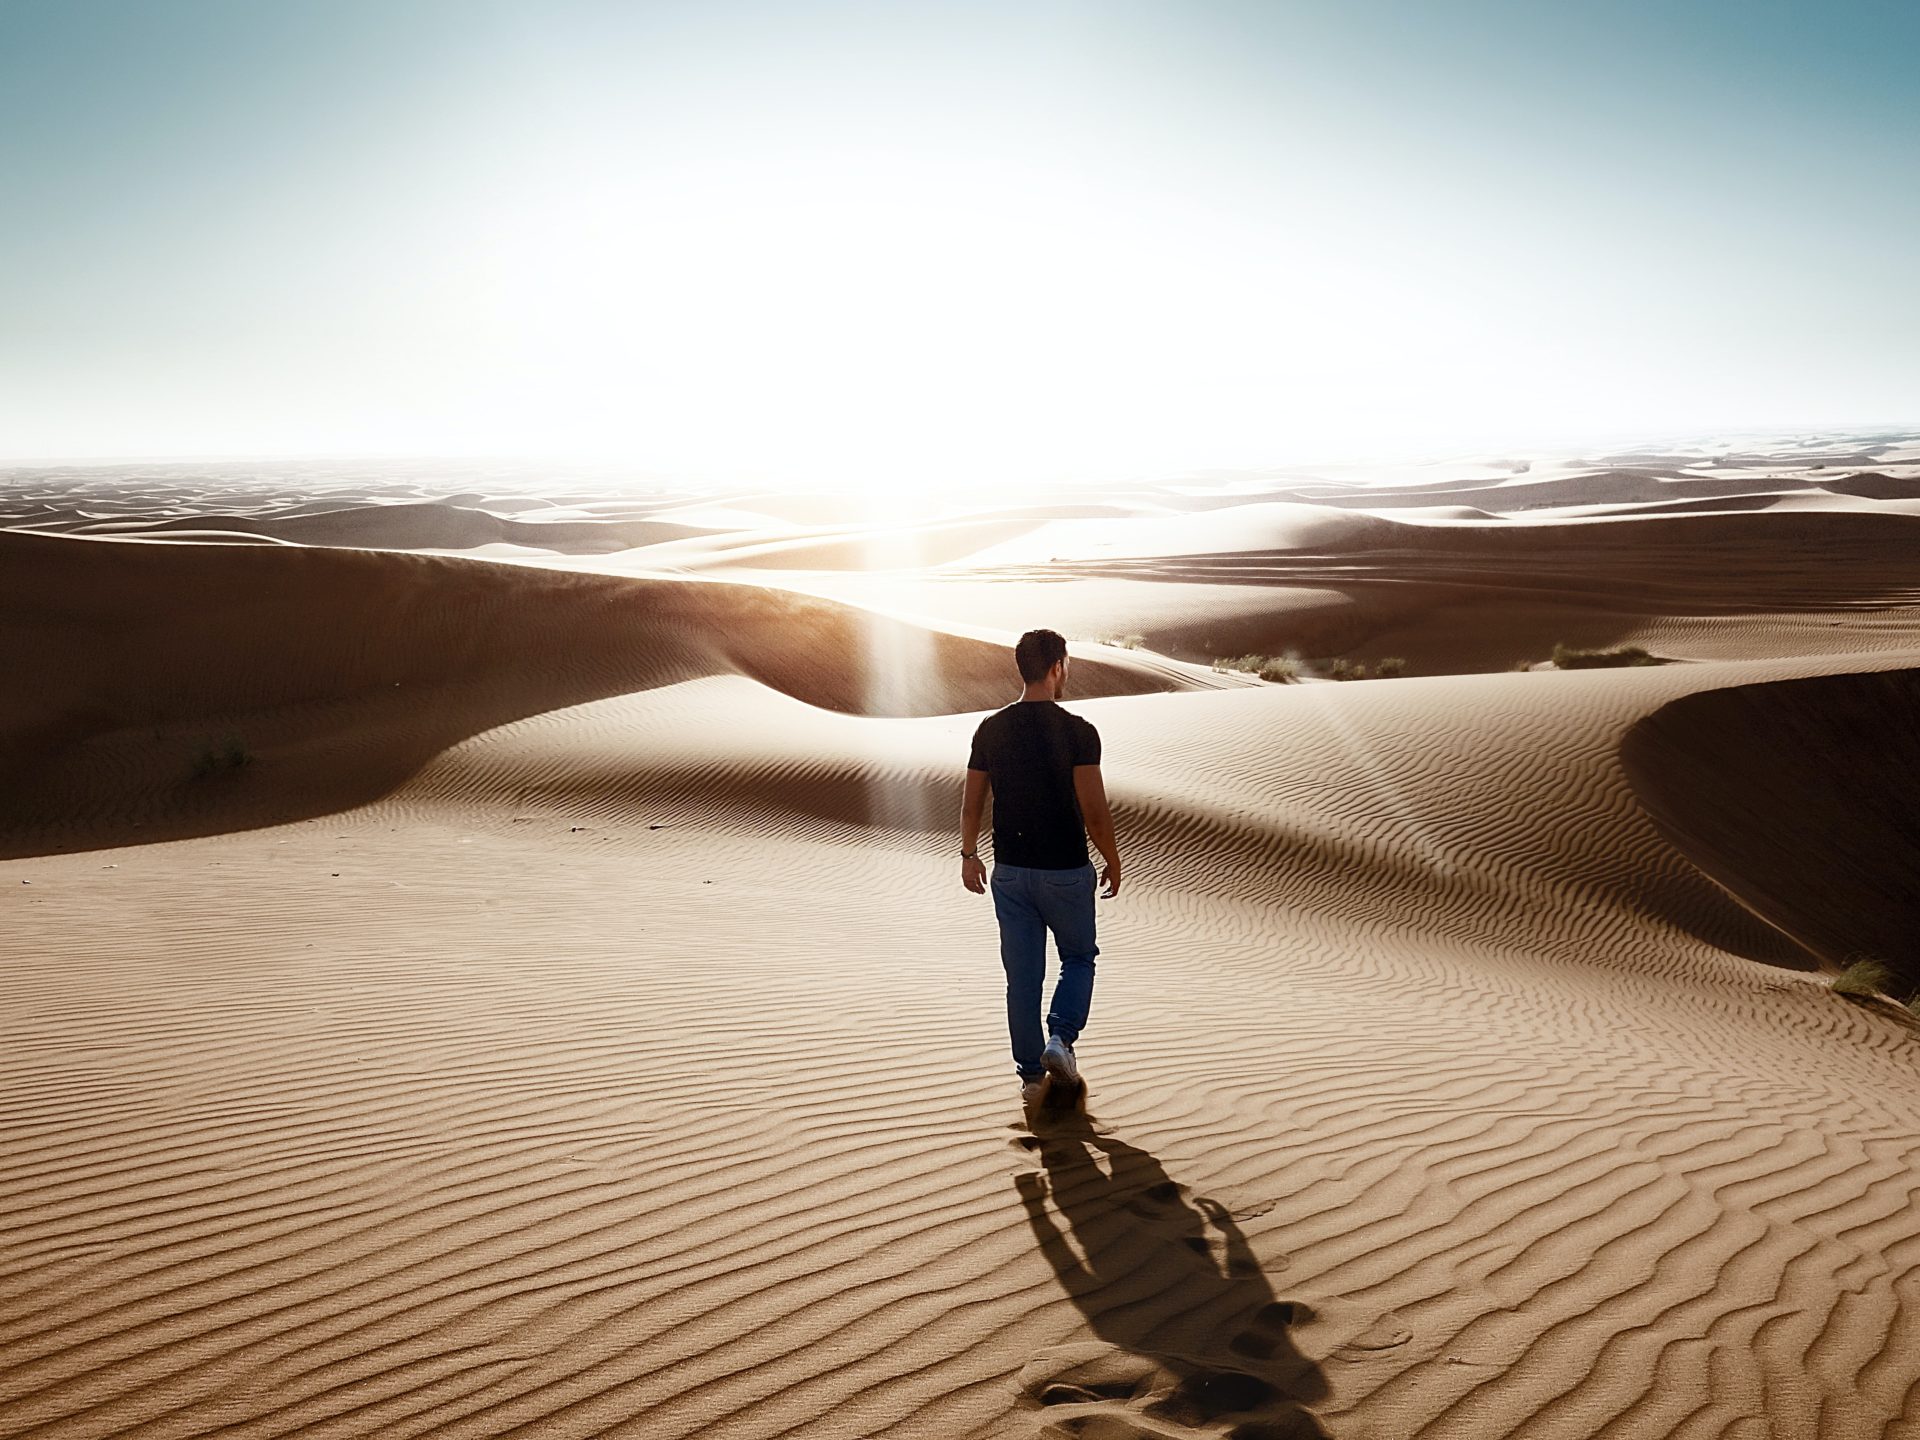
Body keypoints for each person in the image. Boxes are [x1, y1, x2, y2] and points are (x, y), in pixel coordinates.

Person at [961, 628, 1122, 1108]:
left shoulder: (990, 729)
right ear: (1057, 667)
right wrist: (1112, 858)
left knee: (1022, 979)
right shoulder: (1078, 731)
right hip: (1065, 873)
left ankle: (1032, 1079)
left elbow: (971, 805)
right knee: (1078, 959)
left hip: (1010, 874)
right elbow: (1094, 810)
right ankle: (1061, 1040)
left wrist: (969, 855)